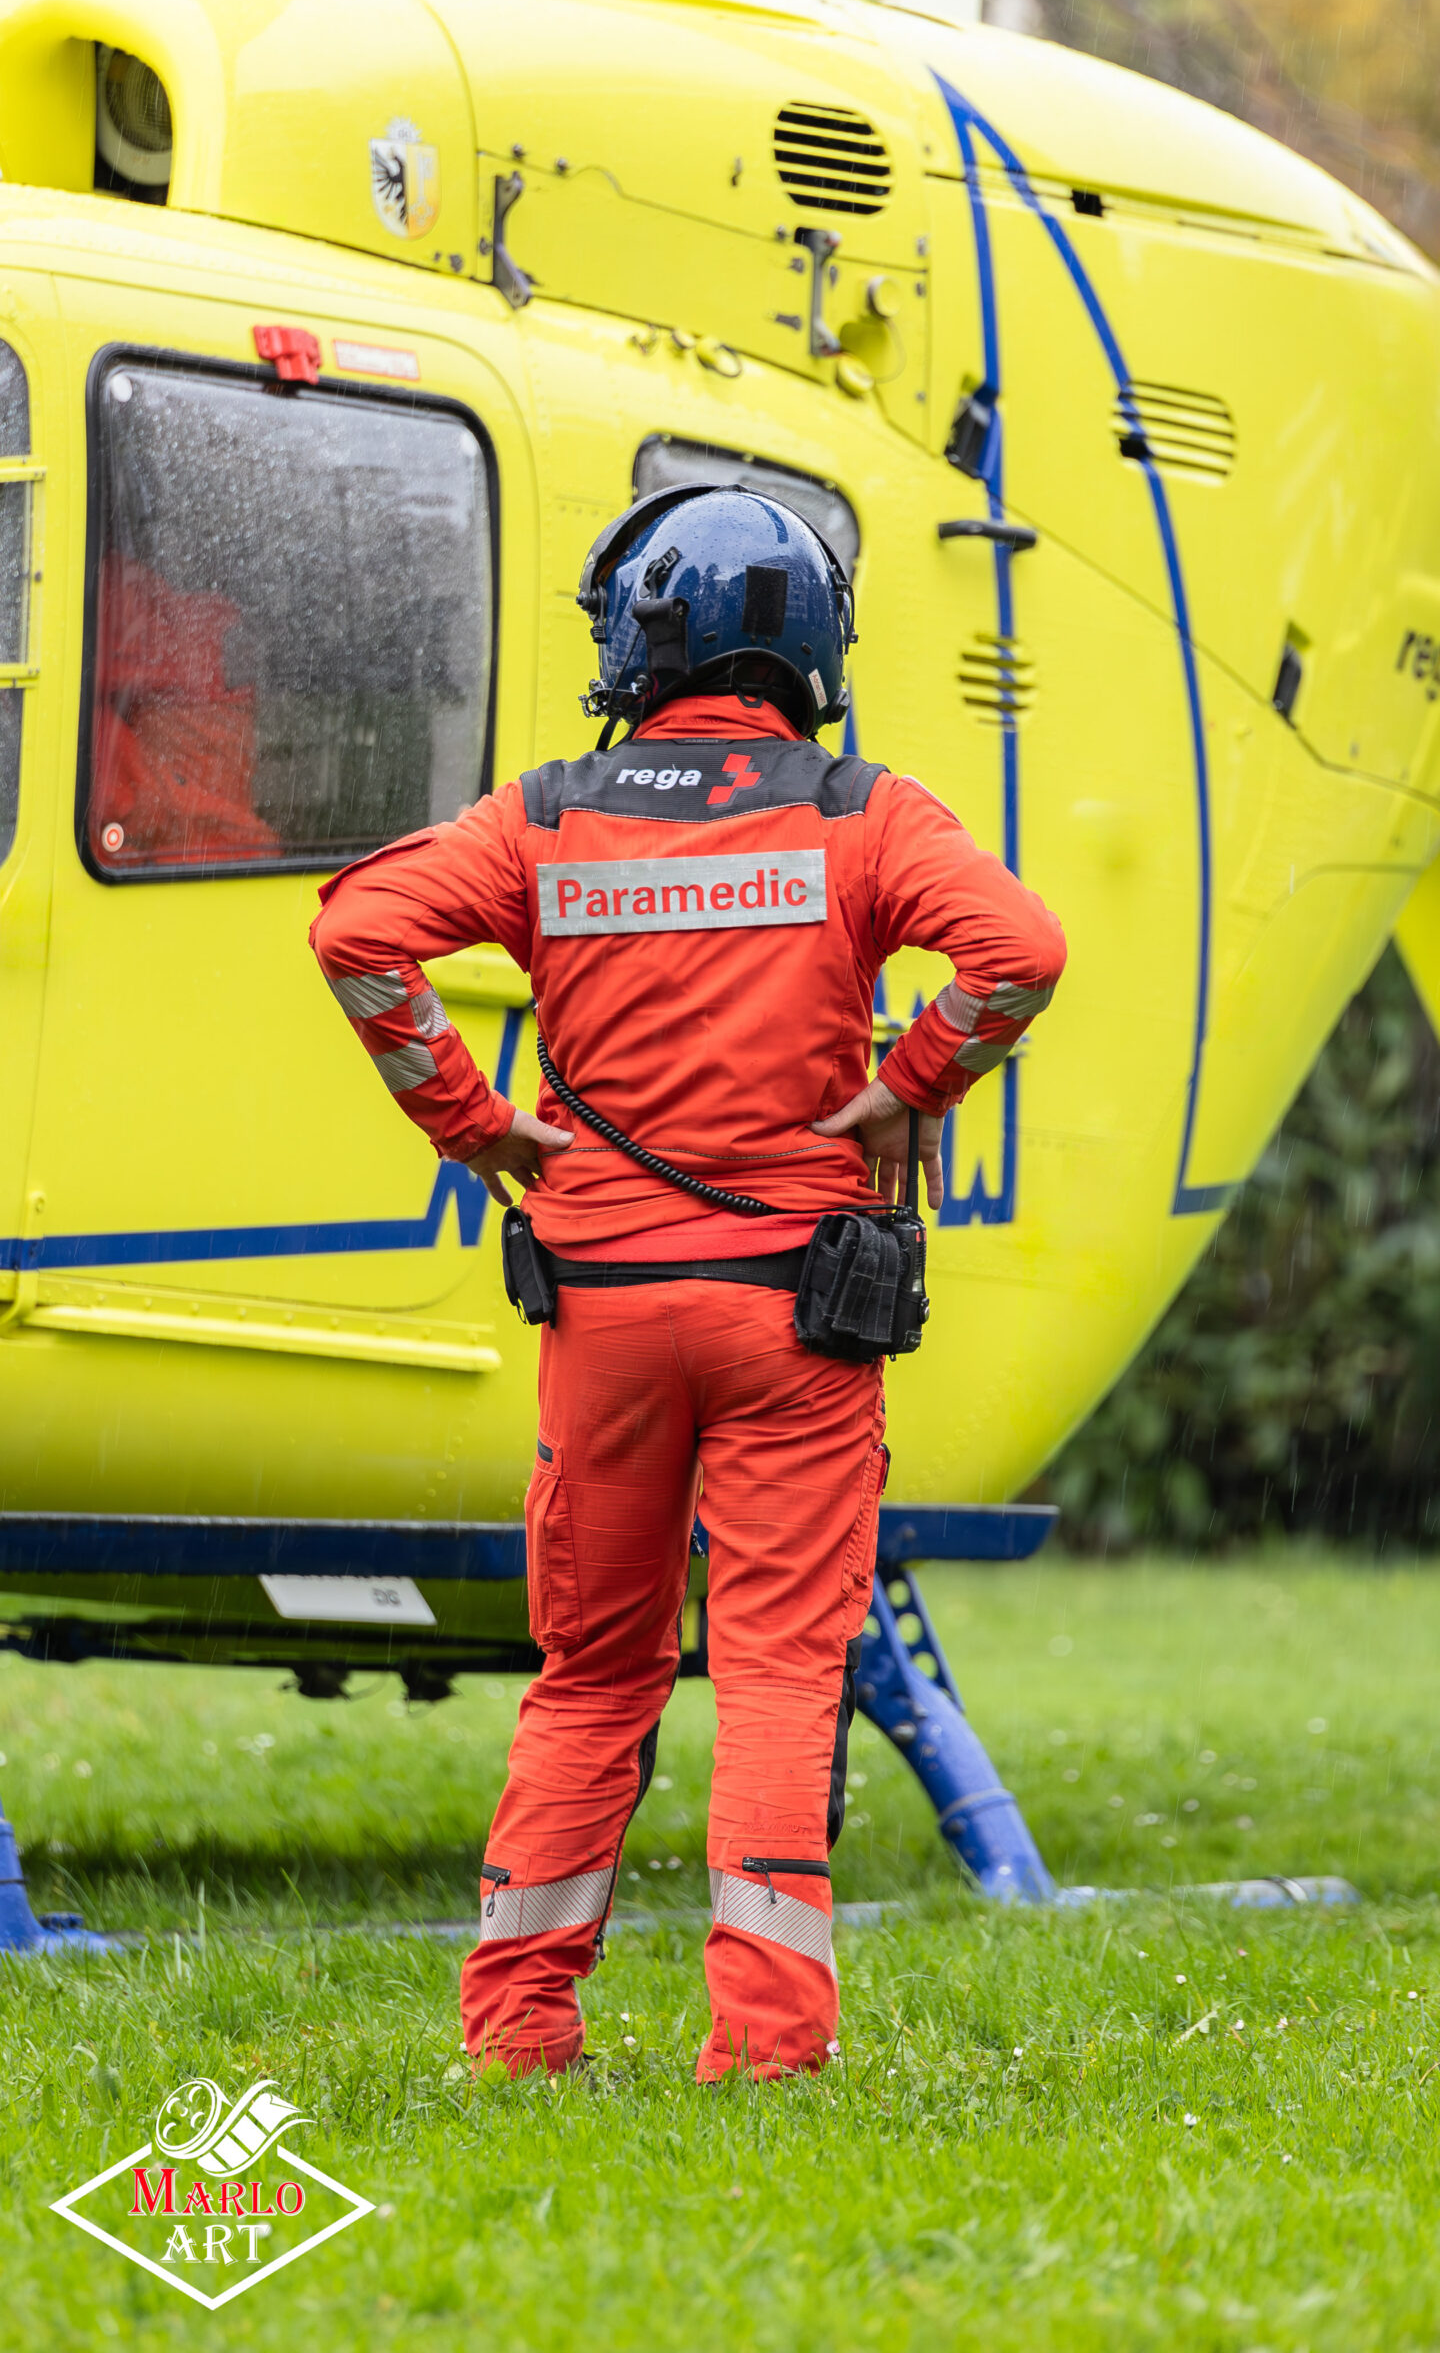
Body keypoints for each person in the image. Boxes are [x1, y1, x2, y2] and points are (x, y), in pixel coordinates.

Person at [310, 485, 1065, 2081]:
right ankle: (768, 2046)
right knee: (783, 1670)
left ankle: (520, 2033)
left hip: (606, 1317)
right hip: (798, 1316)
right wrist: (915, 1084)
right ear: (813, 649)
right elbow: (1023, 955)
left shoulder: (548, 817)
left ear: (638, 642)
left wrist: (472, 1121)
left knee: (593, 1674)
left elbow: (360, 936)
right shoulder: (867, 814)